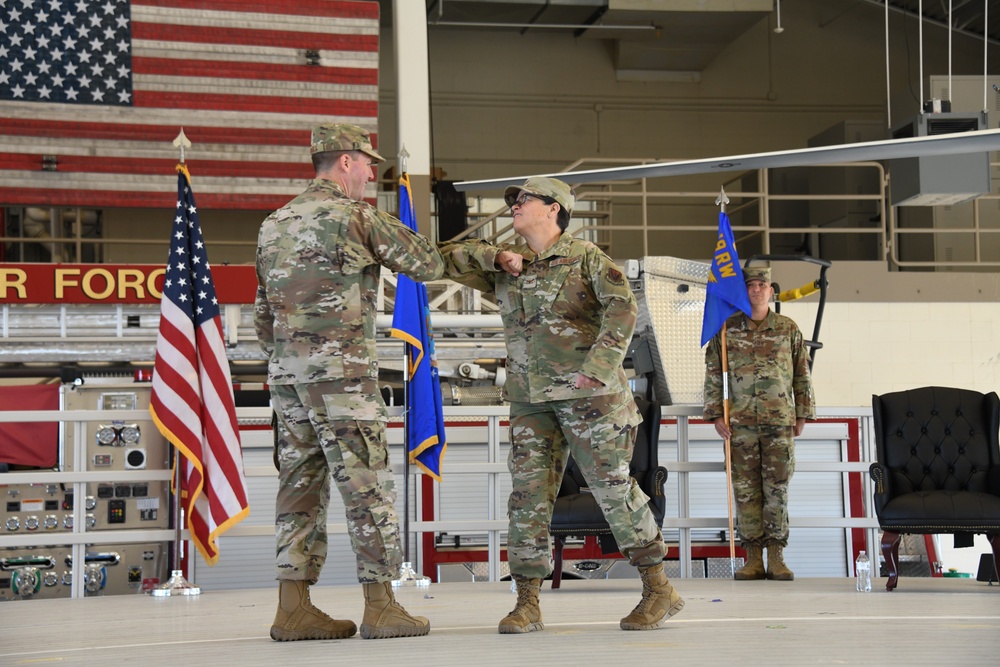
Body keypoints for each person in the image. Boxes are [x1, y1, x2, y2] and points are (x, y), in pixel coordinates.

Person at [439, 176, 685, 633]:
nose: (514, 205)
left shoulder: (586, 259)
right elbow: (440, 259)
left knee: (614, 491)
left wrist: (600, 364)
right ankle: (527, 603)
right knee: (528, 500)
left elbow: (623, 307)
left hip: (591, 399)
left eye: (524, 199)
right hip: (532, 402)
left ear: (554, 209)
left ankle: (658, 587)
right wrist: (493, 255)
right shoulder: (509, 264)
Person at [255, 123, 444, 641]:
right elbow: (425, 261)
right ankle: (381, 606)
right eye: (366, 164)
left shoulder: (274, 224)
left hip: (288, 379)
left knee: (298, 490)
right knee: (368, 489)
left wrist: (291, 357)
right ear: (345, 162)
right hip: (342, 381)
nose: (369, 174)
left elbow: (262, 316)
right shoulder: (356, 217)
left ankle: (292, 609)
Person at [703, 266, 816, 581]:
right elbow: (714, 372)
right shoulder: (727, 329)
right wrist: (715, 414)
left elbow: (801, 374)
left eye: (761, 284)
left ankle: (777, 555)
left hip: (779, 422)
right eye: (749, 284)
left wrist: (803, 413)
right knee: (745, 491)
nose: (755, 289)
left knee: (777, 489)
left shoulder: (787, 328)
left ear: (771, 291)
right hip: (739, 423)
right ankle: (753, 557)